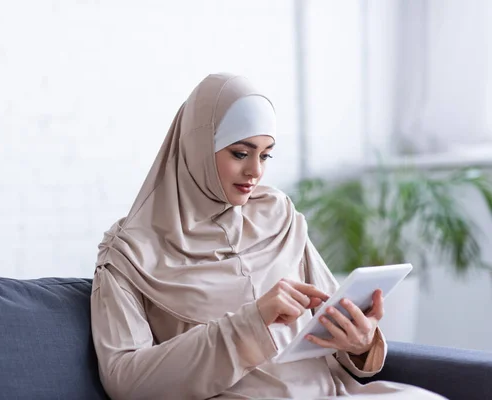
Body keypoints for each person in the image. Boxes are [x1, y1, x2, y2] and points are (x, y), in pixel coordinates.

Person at [90, 73, 445, 399]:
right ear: (197, 147)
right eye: (240, 153)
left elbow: (327, 315)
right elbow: (125, 380)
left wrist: (360, 340)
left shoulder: (278, 214)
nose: (255, 171)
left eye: (265, 154)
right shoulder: (129, 253)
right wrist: (249, 322)